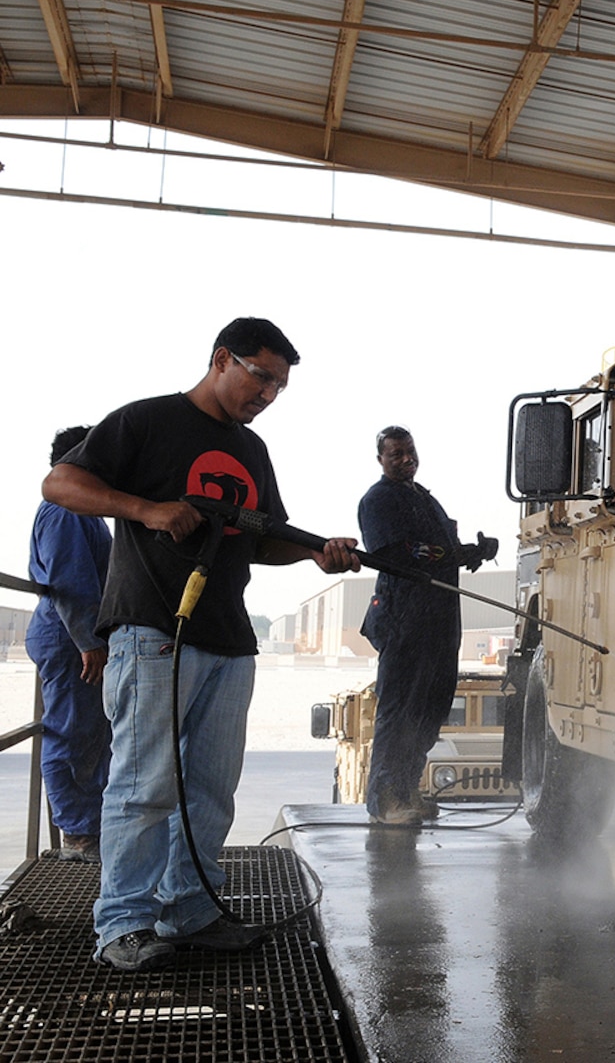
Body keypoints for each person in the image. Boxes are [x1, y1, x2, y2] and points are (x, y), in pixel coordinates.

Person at [42, 317, 359, 973]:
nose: (269, 394)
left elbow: (259, 537)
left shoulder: (251, 451)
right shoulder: (146, 421)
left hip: (228, 637)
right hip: (153, 627)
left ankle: (188, 906)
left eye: (280, 385)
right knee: (144, 783)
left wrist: (313, 554)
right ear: (222, 359)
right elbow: (61, 486)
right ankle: (122, 926)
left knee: (211, 787)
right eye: (261, 376)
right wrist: (146, 509)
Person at [358, 426, 495, 826]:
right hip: (406, 619)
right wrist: (449, 554)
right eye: (396, 454)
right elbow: (393, 553)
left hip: (439, 619)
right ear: (381, 459)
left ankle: (407, 790)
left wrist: (471, 552)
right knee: (400, 710)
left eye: (410, 452)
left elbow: (440, 552)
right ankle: (385, 801)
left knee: (429, 708)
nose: (406, 459)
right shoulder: (378, 499)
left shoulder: (425, 499)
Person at [26, 426, 114, 863]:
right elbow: (69, 581)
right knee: (70, 732)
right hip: (69, 639)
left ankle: (90, 825)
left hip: (79, 638)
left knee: (92, 735)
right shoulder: (65, 510)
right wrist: (88, 642)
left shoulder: (86, 511)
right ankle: (78, 835)